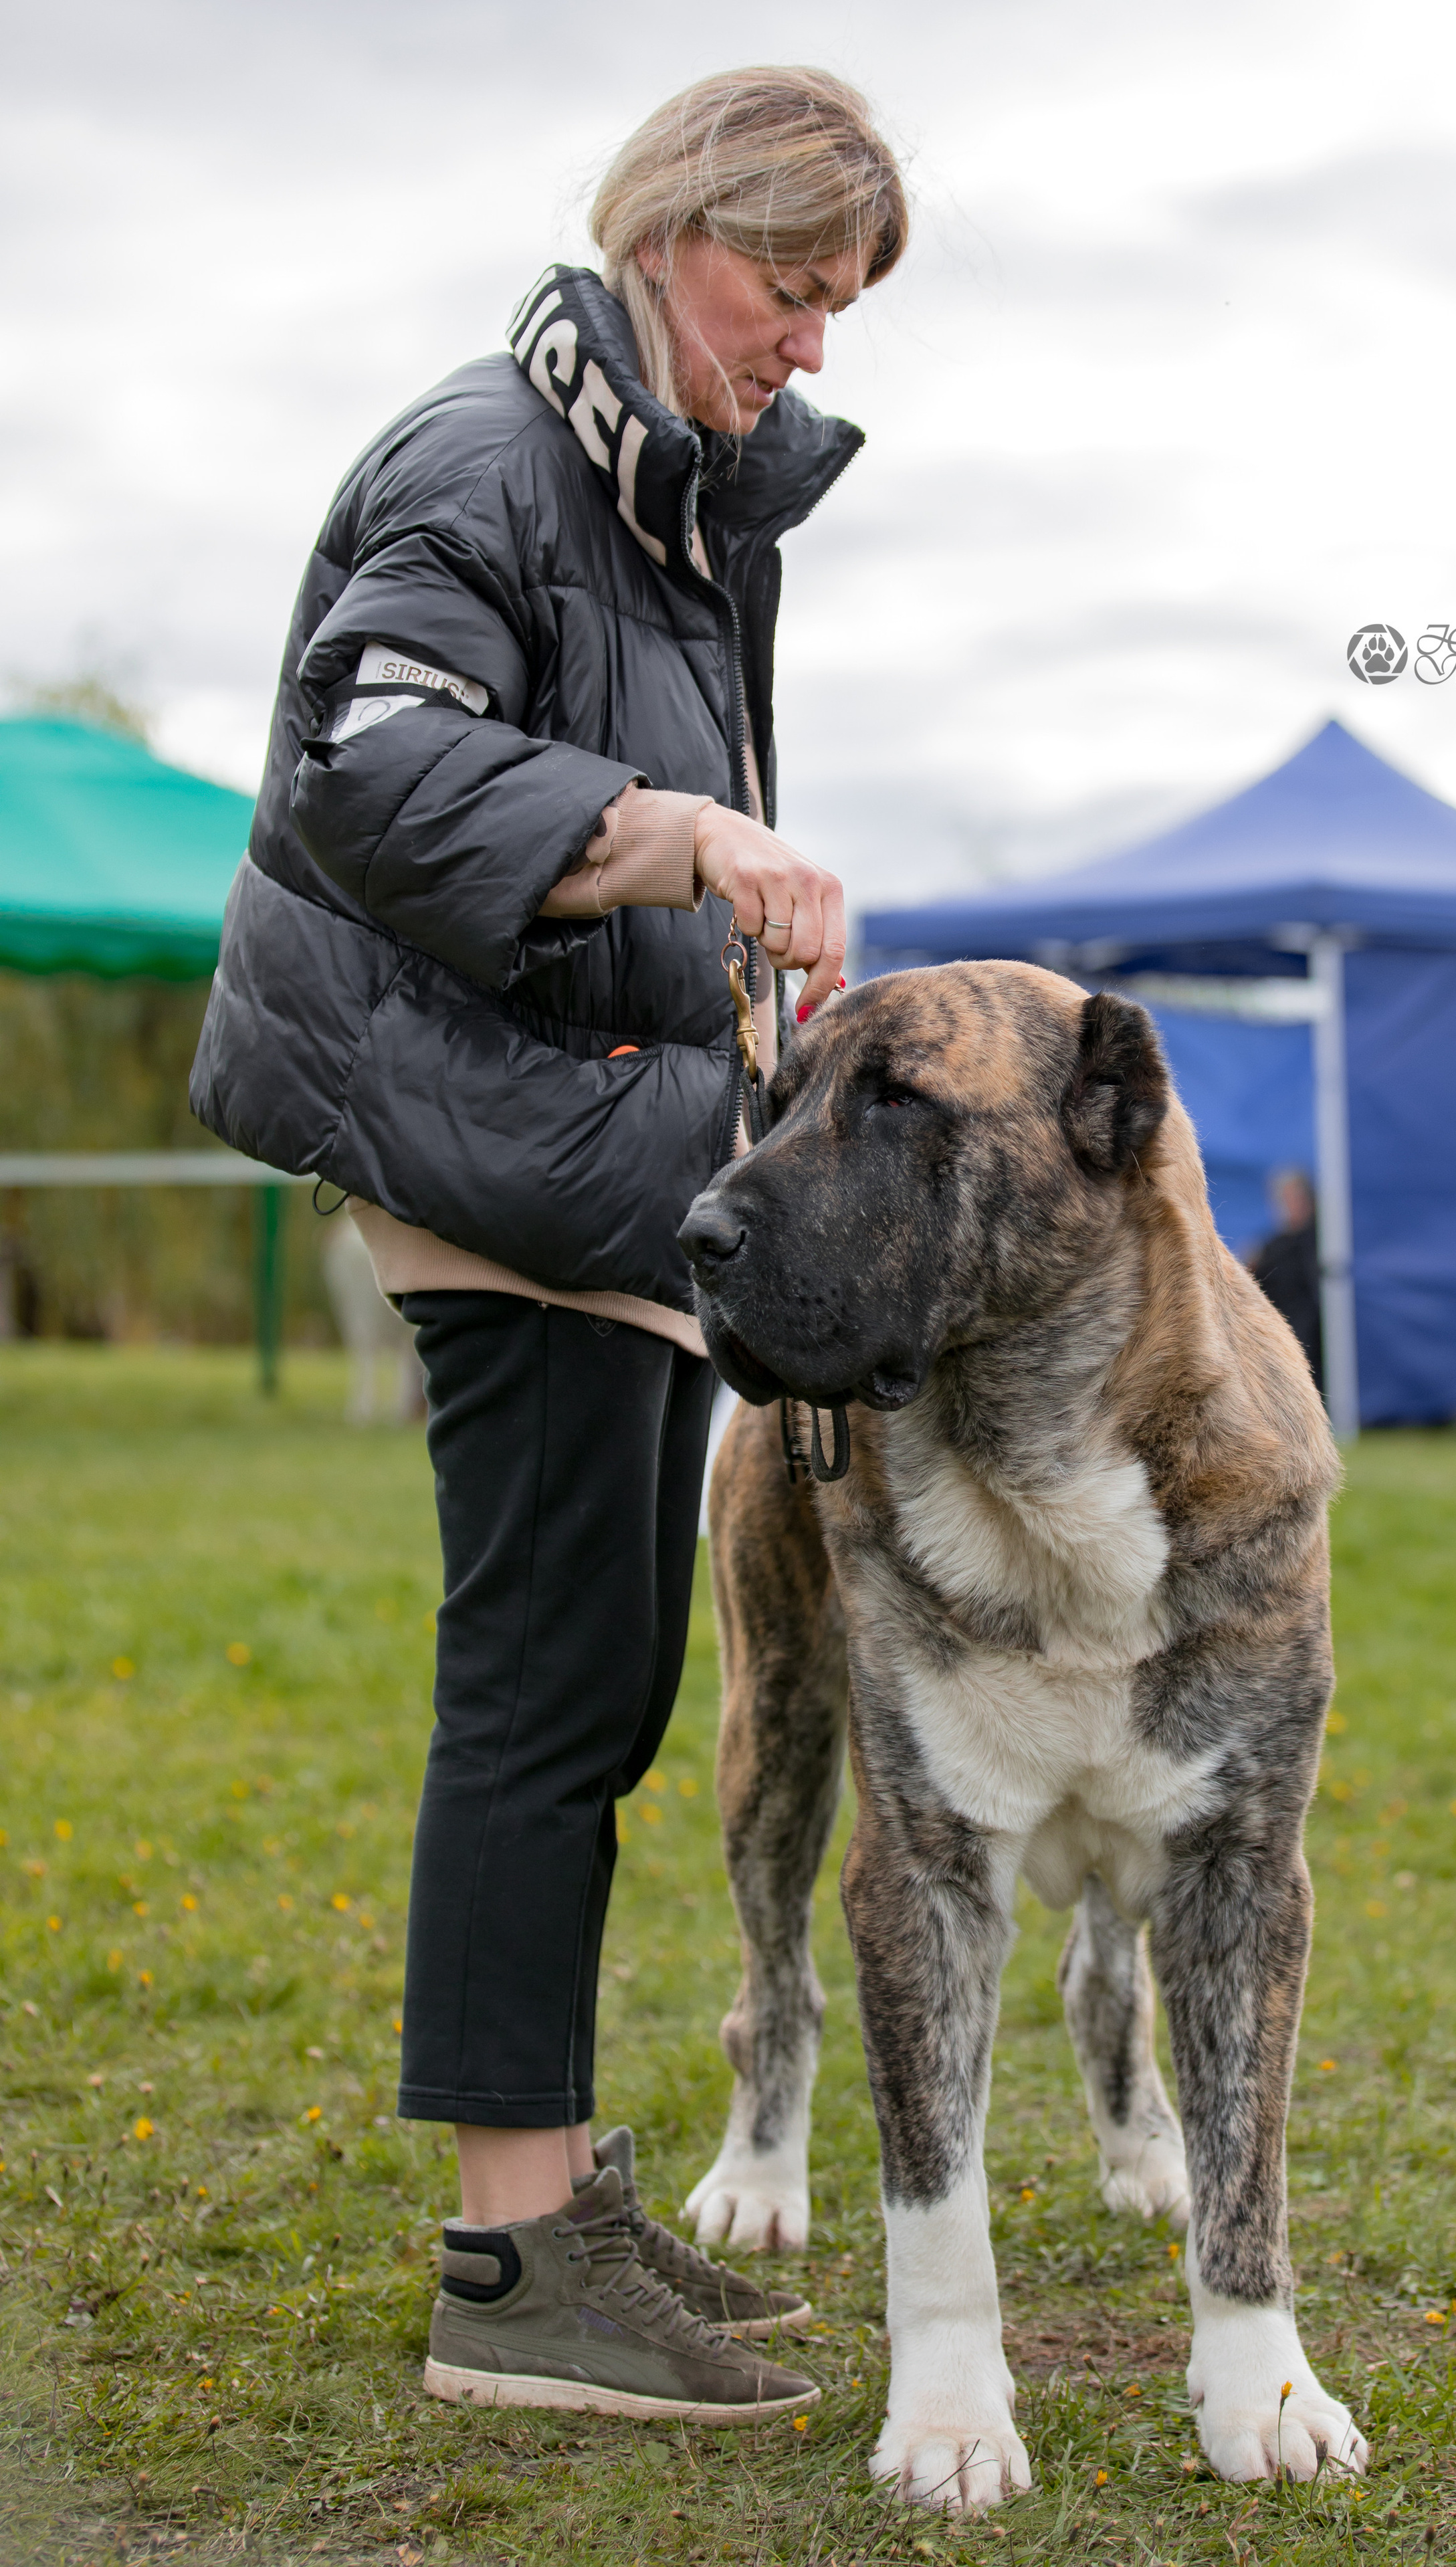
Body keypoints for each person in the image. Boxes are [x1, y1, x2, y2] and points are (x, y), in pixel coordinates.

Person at [191, 68, 908, 2423]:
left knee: (592, 1677)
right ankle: (511, 2265)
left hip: (594, 1149)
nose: (810, 341)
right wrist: (689, 829)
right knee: (541, 1684)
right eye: (788, 284)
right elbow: (371, 766)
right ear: (671, 226)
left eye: (841, 306)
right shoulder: (486, 457)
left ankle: (552, 2192)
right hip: (485, 1142)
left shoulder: (664, 500)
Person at [1248, 1166, 1323, 1392]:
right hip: (1282, 1336)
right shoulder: (1271, 1247)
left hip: (1315, 1338)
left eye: (1295, 1198)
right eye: (1284, 1199)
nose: (1289, 1205)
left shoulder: (1326, 1241)